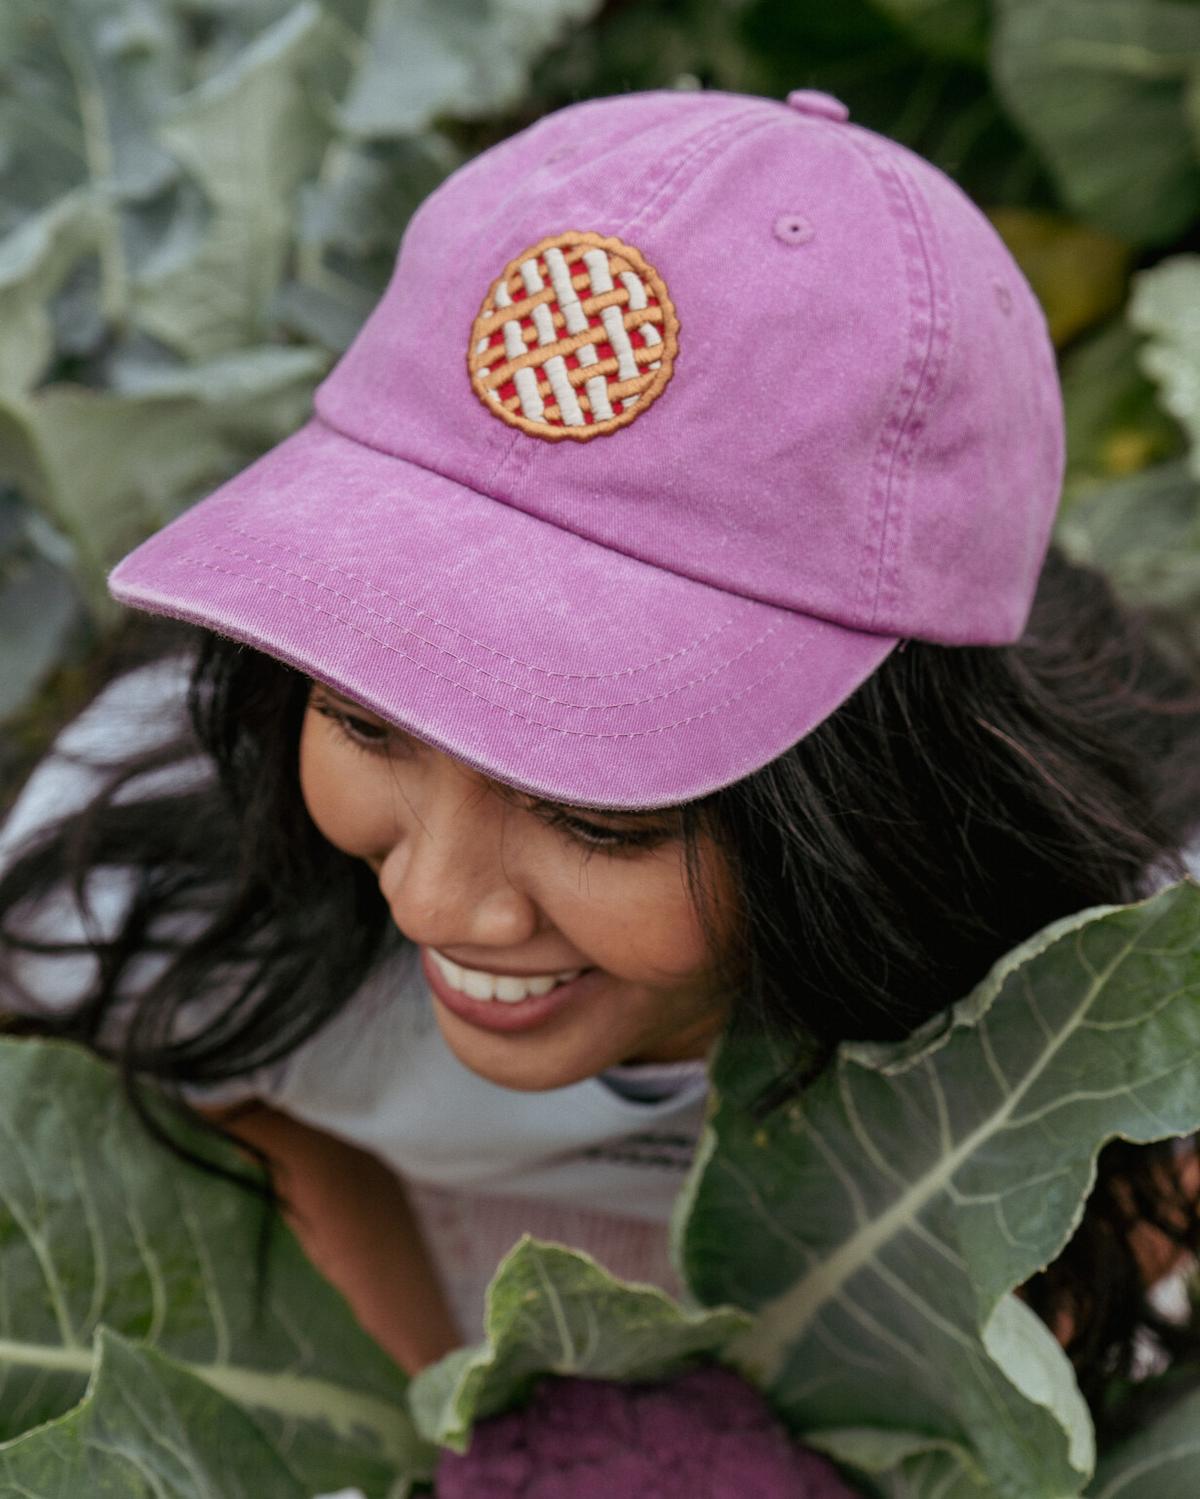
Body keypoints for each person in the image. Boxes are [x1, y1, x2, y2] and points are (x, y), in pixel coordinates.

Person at [2, 86, 1199, 1417]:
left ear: (861, 814)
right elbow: (205, 1099)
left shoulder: (1110, 1002)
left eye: (599, 817)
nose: (439, 902)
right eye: (360, 721)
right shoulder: (152, 887)